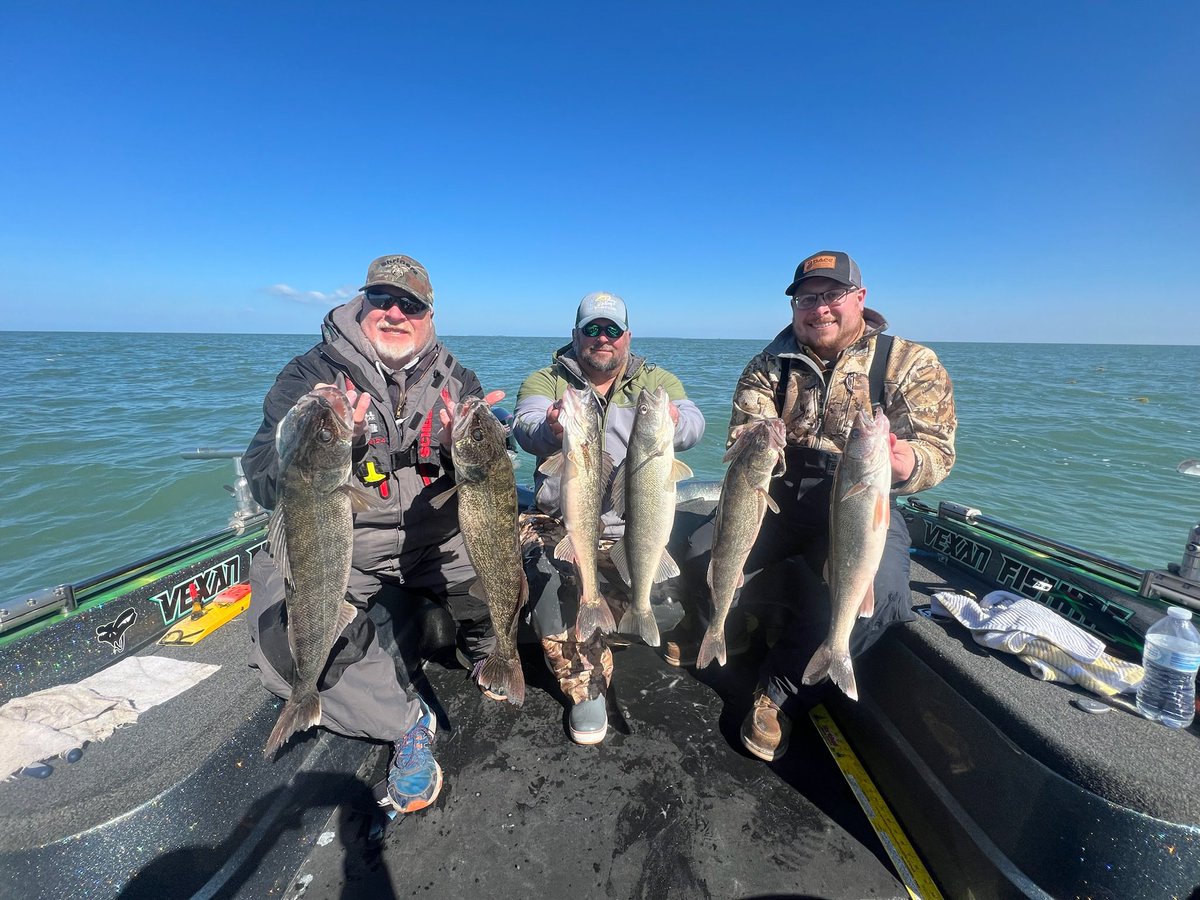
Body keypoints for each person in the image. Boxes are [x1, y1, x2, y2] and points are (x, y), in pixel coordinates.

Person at [242, 254, 503, 815]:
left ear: (430, 316)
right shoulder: (310, 377)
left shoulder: (459, 381)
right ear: (361, 306)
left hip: (436, 542)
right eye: (381, 300)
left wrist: (476, 444)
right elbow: (262, 478)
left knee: (506, 570)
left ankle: (485, 649)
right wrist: (340, 442)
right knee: (279, 646)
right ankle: (407, 722)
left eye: (411, 304)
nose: (394, 313)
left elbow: (491, 480)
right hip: (344, 549)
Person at [681, 250, 956, 762]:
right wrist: (758, 437)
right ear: (793, 306)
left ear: (860, 298)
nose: (819, 309)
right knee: (700, 555)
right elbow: (743, 432)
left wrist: (908, 462)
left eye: (831, 295)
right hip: (780, 496)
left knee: (885, 598)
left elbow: (938, 450)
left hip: (862, 505)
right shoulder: (769, 364)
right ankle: (733, 627)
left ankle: (778, 692)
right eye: (807, 299)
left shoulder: (909, 363)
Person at [512, 291, 705, 744]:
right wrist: (551, 428)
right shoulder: (547, 378)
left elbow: (695, 423)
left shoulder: (654, 380)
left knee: (663, 586)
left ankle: (618, 619)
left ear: (627, 336)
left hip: (629, 526)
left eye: (612, 330)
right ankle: (587, 685)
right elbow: (525, 425)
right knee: (547, 586)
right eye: (593, 329)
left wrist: (674, 420)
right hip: (557, 523)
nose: (603, 338)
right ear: (576, 335)